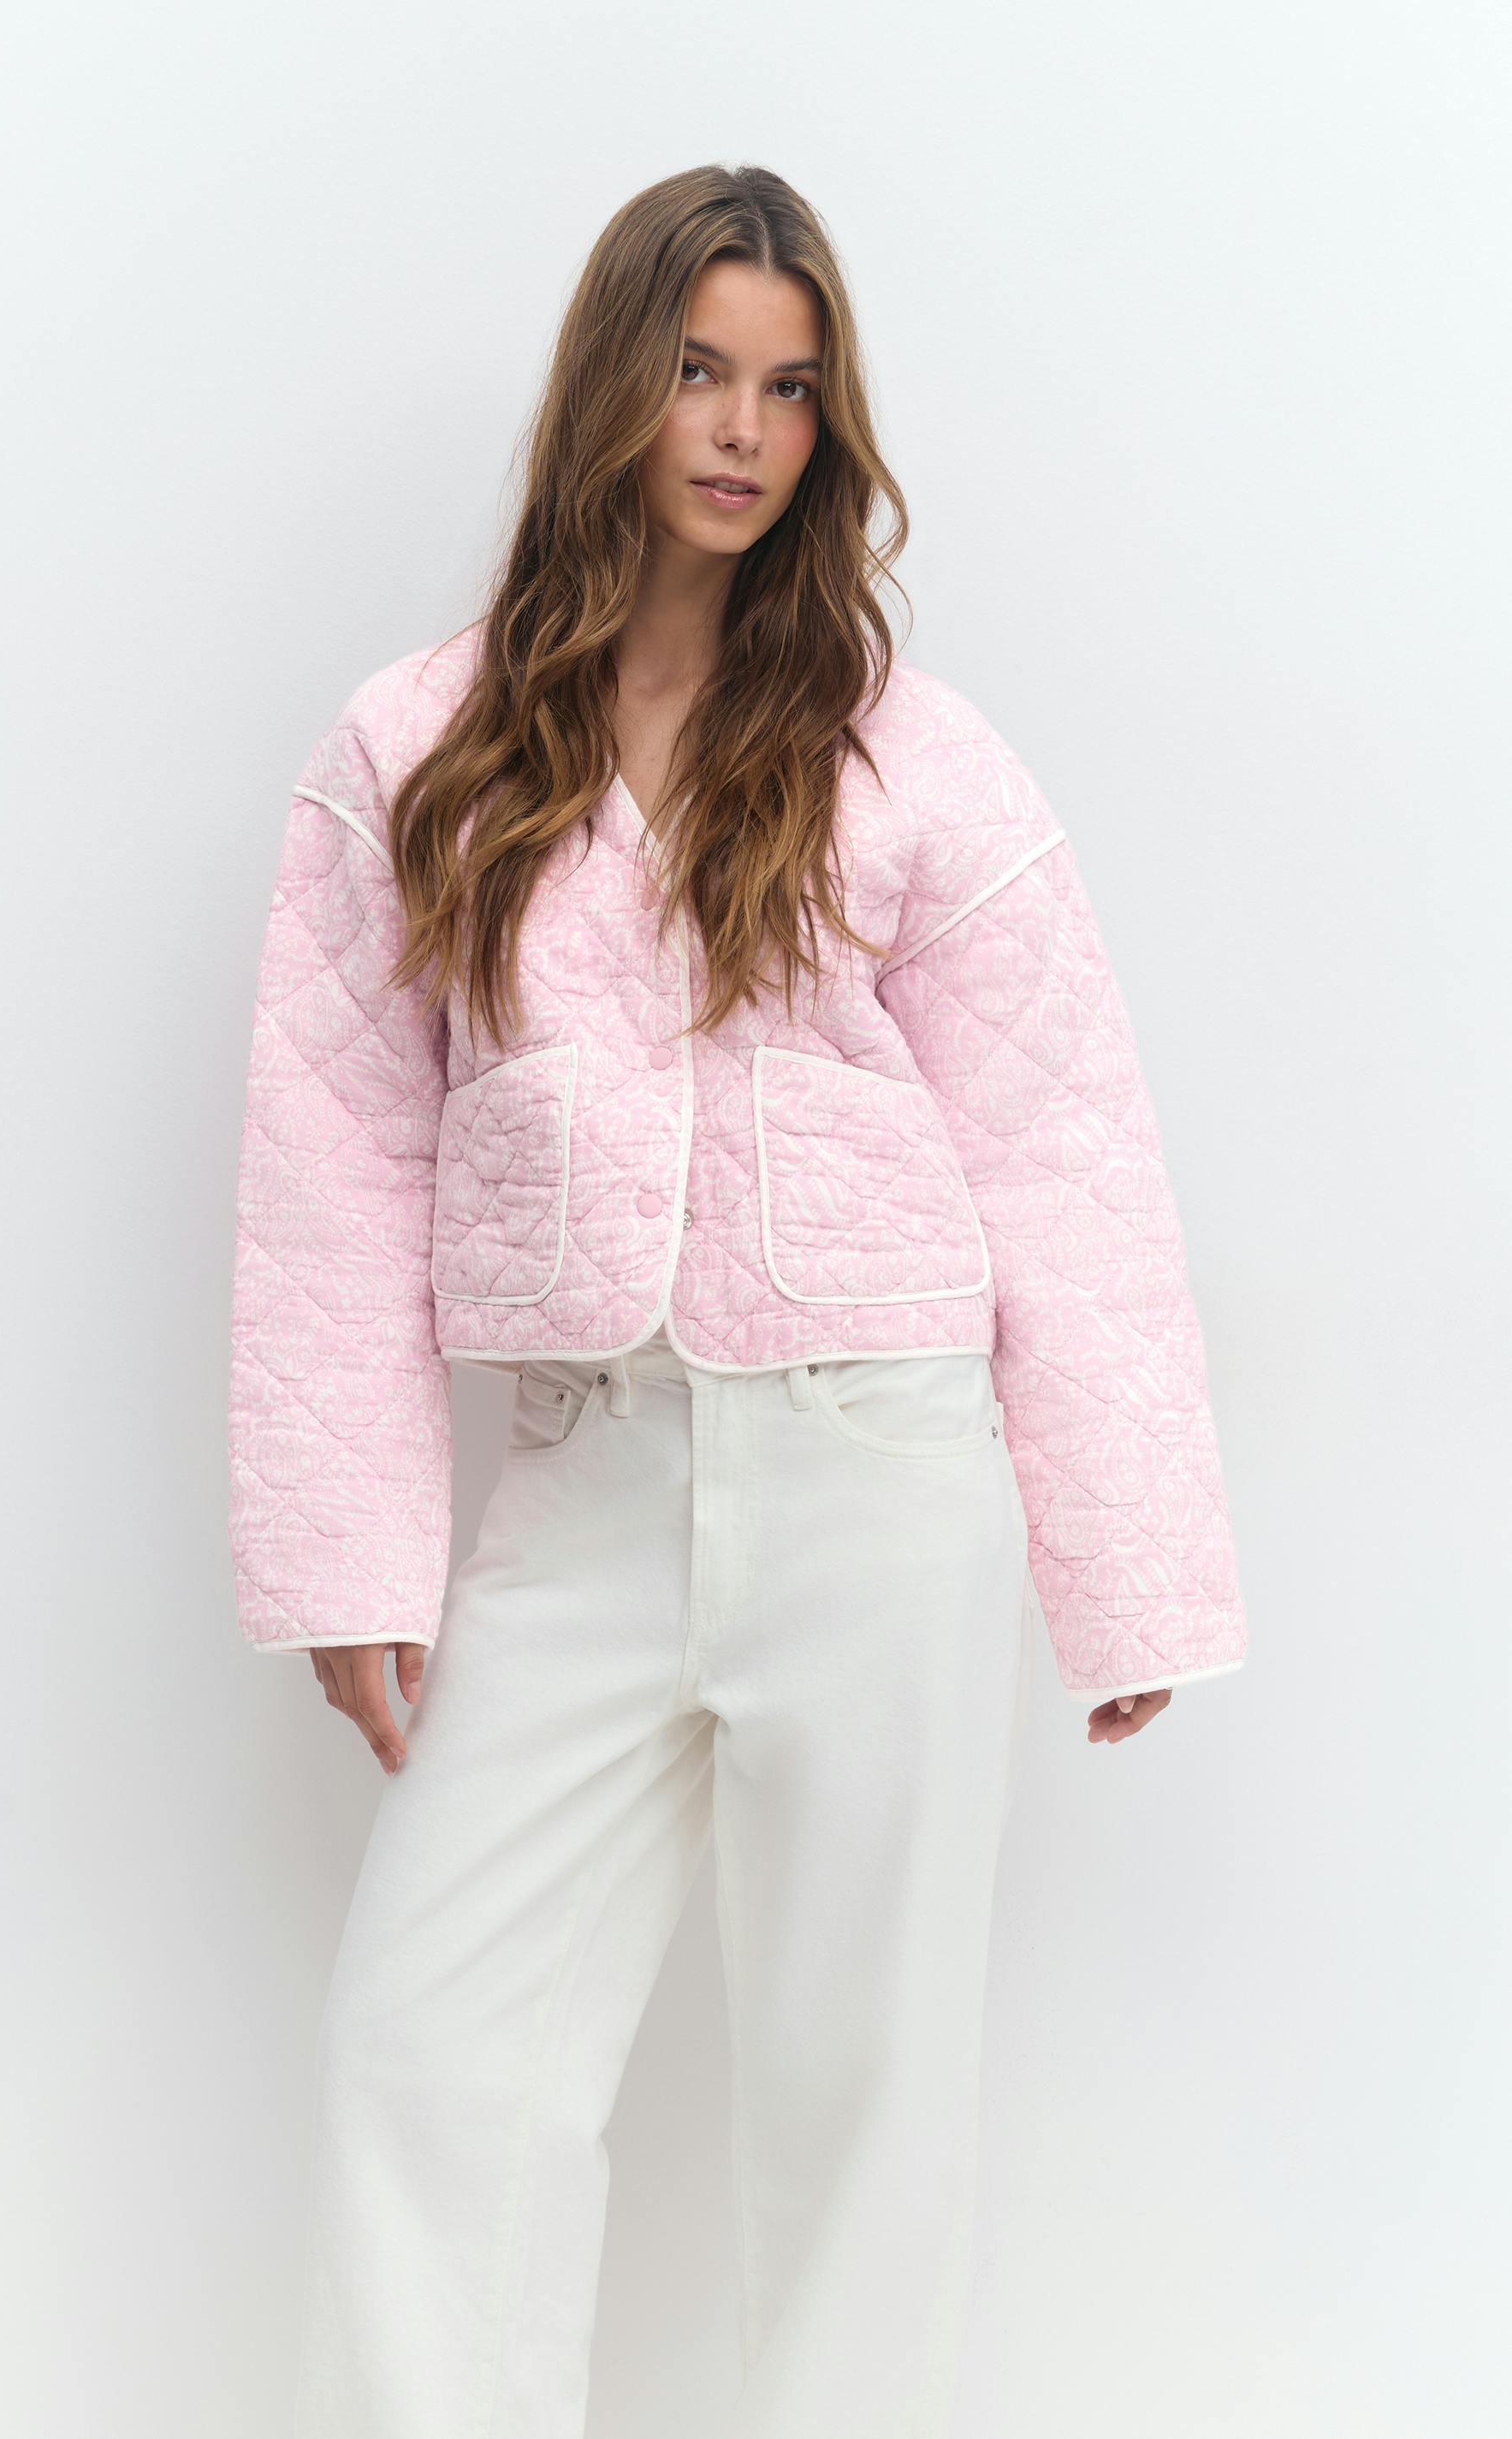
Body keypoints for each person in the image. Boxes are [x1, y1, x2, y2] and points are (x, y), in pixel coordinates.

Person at [228, 162, 1247, 2439]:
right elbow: (334, 1166)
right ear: (617, 379)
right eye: (699, 369)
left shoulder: (907, 751)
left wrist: (1132, 1568)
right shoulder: (418, 747)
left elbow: (1065, 1160)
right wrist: (350, 1554)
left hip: (882, 1477)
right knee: (429, 2052)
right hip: (584, 1486)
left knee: (859, 2104)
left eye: (790, 390)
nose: (741, 430)